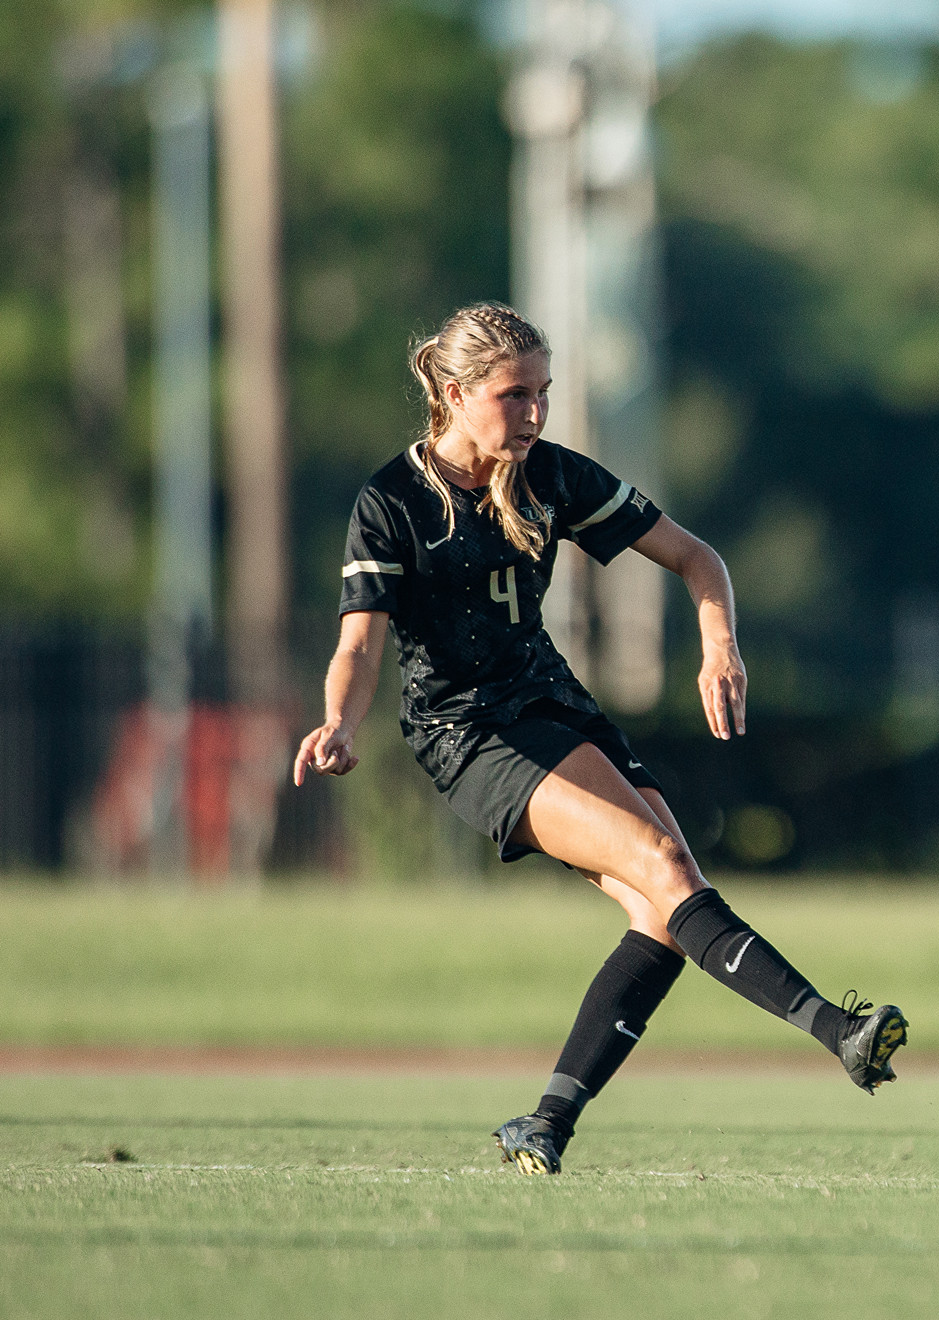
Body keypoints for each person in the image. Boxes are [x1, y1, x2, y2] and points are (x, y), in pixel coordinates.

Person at [292, 301, 907, 1175]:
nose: (536, 413)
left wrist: (719, 647)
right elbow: (359, 640)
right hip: (466, 735)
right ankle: (837, 1031)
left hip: (552, 706)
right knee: (663, 863)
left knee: (665, 909)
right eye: (516, 395)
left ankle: (545, 1122)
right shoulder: (391, 501)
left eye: (544, 392)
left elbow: (701, 560)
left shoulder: (553, 476)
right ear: (457, 394)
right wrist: (340, 724)